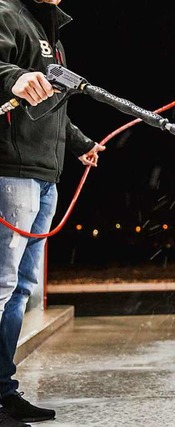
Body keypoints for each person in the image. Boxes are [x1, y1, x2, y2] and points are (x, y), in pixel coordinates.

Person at [0, 1, 105, 426]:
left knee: (22, 287)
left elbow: (52, 108)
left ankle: (5, 392)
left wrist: (80, 143)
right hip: (12, 172)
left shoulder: (52, 36)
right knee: (3, 285)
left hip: (46, 176)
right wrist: (15, 77)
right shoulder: (6, 11)